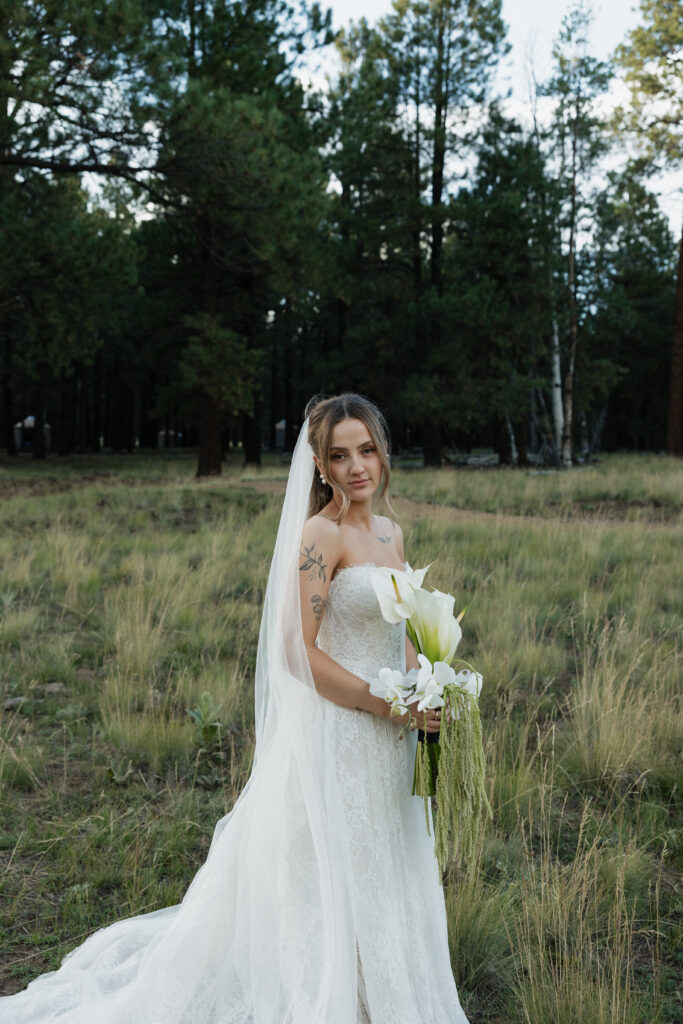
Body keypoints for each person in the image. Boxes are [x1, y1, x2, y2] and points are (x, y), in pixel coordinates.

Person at [0, 393, 470, 1024]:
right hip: (342, 729)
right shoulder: (319, 536)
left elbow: (402, 634)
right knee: (327, 867)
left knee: (385, 857)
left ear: (383, 453)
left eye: (367, 450)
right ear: (320, 466)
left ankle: (382, 990)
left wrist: (423, 690)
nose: (357, 466)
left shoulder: (391, 532)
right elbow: (295, 651)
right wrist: (379, 703)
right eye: (339, 455)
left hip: (393, 733)